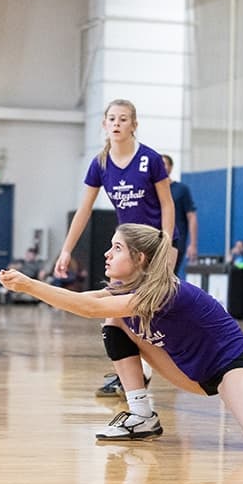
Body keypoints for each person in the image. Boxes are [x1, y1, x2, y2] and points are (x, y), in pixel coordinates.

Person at [0, 223, 243, 447]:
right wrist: (35, 286)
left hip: (229, 364)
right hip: (187, 370)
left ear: (141, 260)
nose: (107, 255)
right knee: (113, 321)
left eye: (117, 248)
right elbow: (88, 302)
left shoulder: (165, 290)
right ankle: (142, 415)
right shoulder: (122, 292)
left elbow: (88, 307)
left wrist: (31, 285)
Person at [53, 99, 175, 404]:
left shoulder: (150, 160)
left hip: (152, 245)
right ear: (104, 125)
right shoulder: (101, 164)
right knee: (118, 314)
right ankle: (136, 377)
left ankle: (142, 376)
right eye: (112, 118)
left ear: (134, 124)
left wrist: (167, 244)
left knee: (148, 312)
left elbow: (167, 204)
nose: (117, 123)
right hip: (126, 248)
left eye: (123, 119)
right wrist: (66, 250)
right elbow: (84, 210)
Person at [162, 154, 198, 278]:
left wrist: (192, 244)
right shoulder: (152, 189)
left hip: (176, 239)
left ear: (171, 167)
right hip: (156, 237)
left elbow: (191, 216)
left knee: (169, 275)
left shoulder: (181, 189)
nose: (162, 167)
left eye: (164, 164)